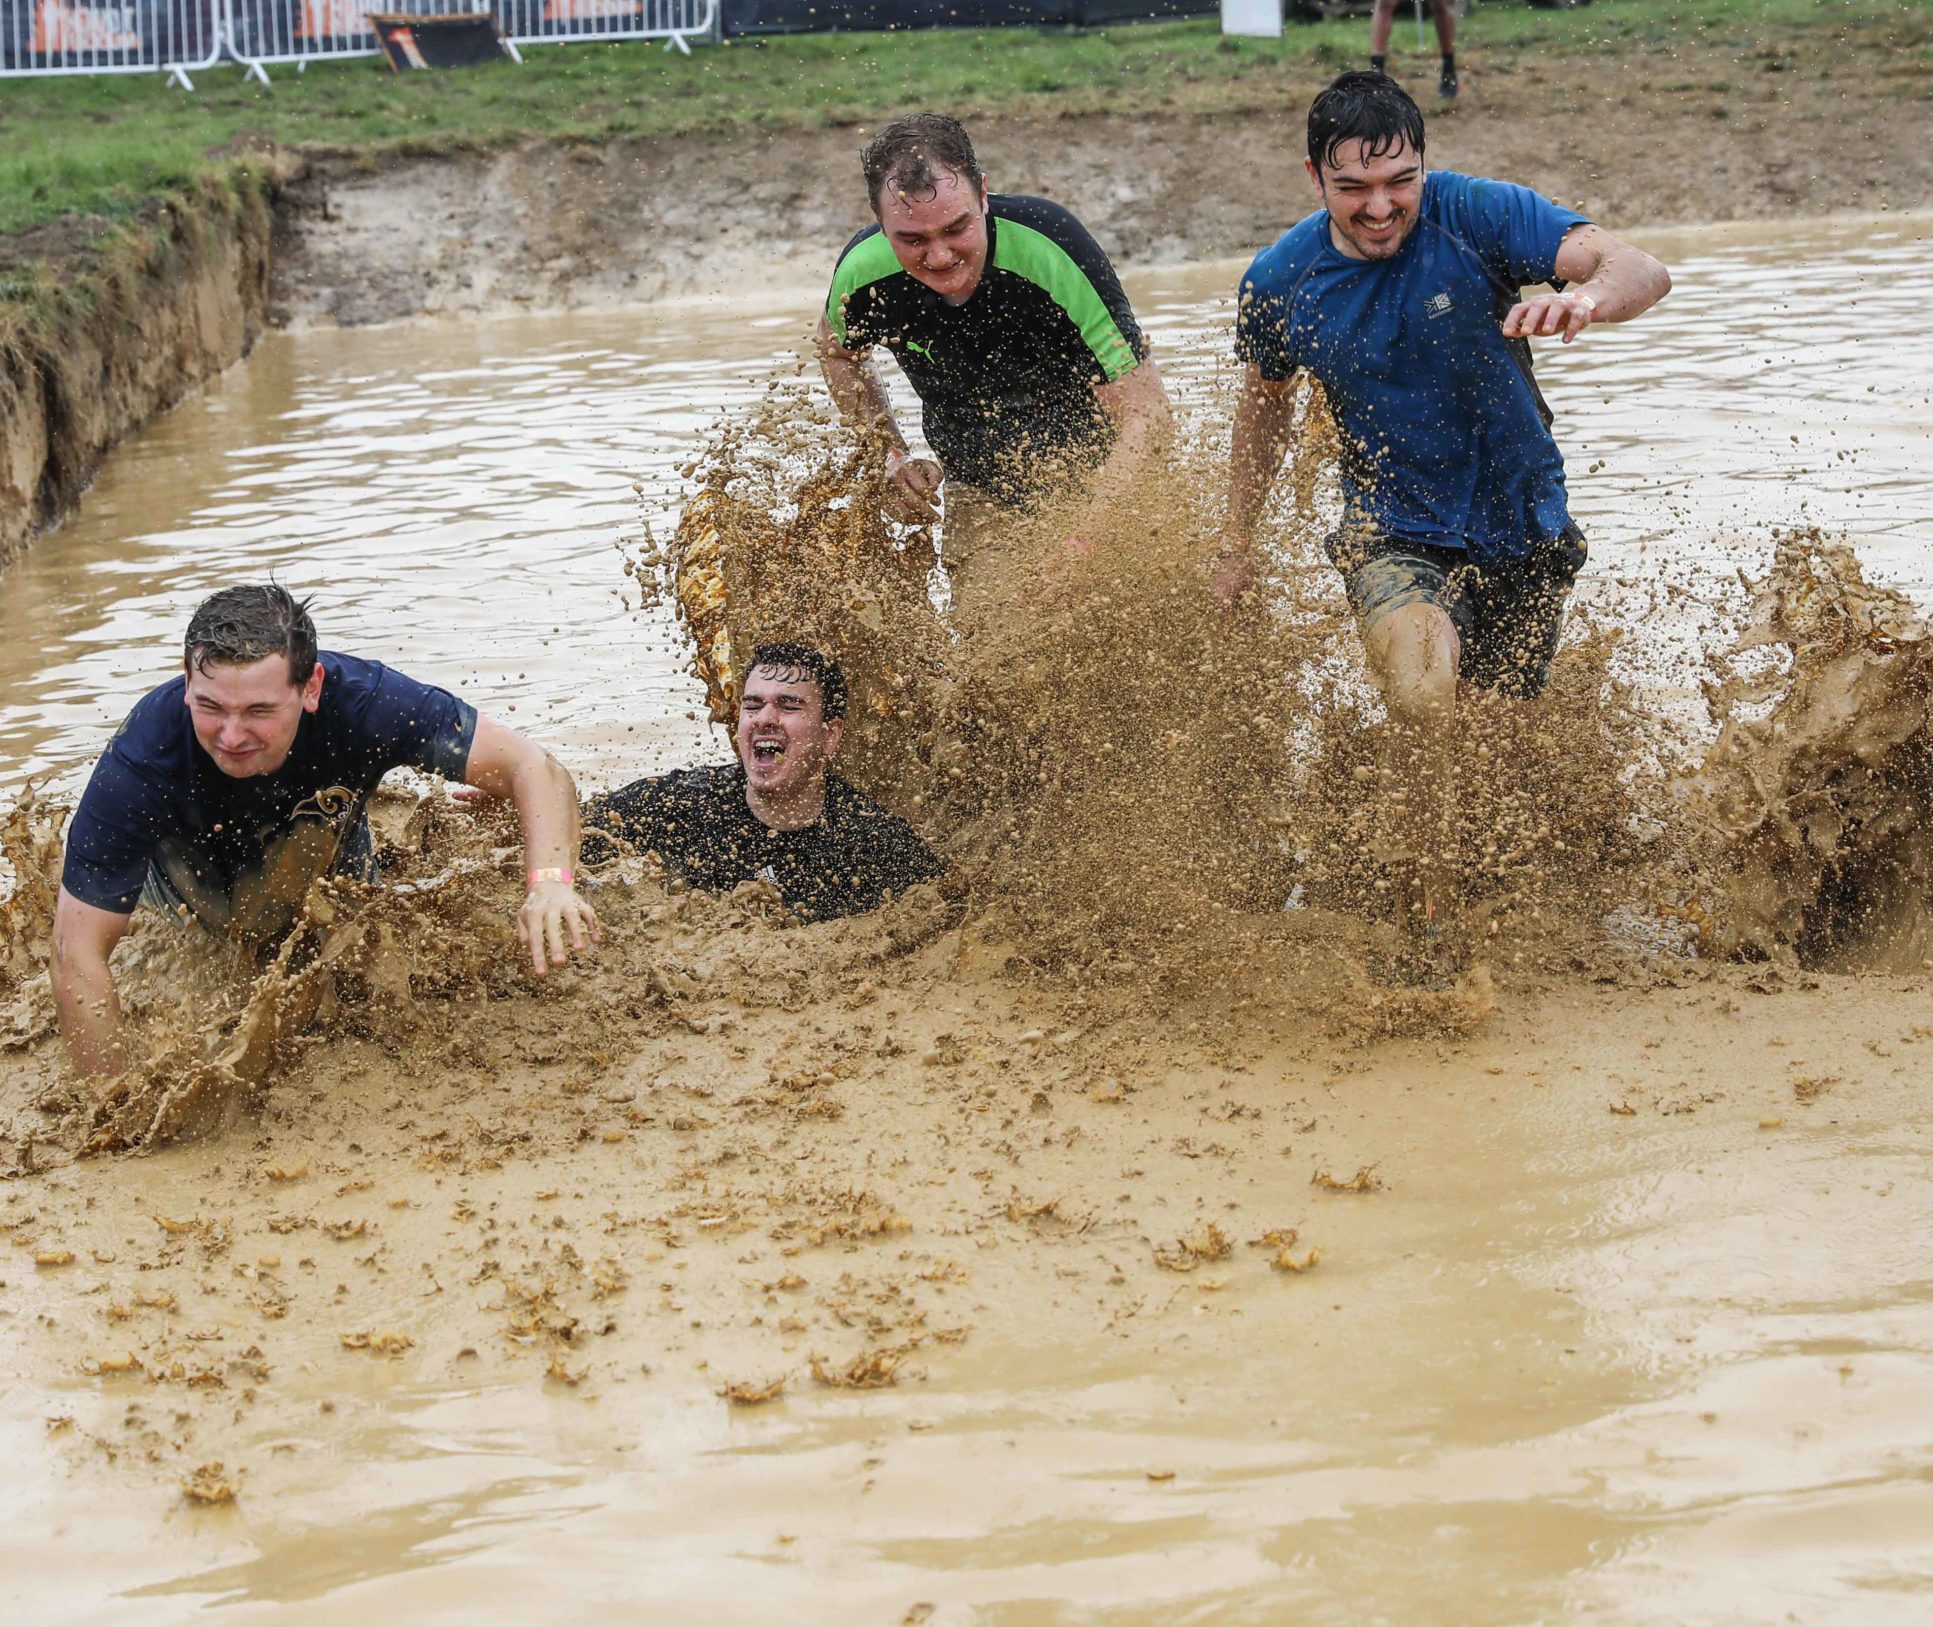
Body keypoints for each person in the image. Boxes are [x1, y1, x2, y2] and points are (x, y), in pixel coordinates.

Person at [1214, 70, 1670, 977]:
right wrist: (1235, 544)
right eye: (1353, 187)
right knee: (1424, 696)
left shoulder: (1477, 214)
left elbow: (1639, 269)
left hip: (1523, 524)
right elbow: (1263, 409)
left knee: (1493, 780)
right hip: (1392, 528)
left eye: (1401, 182)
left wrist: (1583, 300)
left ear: (1424, 166)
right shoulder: (1280, 281)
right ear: (1314, 178)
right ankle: (1428, 932)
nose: (1381, 208)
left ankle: (1487, 892)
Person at [51, 585, 598, 1077]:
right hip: (188, 890)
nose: (231, 735)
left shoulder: (366, 703)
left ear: (311, 687)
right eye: (211, 707)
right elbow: (76, 955)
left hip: (330, 854)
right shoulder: (141, 763)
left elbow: (533, 766)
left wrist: (550, 881)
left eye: (258, 711)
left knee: (365, 977)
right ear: (188, 681)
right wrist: (115, 1103)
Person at [817, 113, 1171, 602]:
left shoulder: (1050, 247)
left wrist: (1083, 544)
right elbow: (838, 352)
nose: (940, 257)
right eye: (913, 240)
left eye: (957, 228)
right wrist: (890, 456)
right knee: (993, 643)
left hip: (1111, 480)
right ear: (881, 223)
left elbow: (1148, 416)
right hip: (980, 489)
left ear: (983, 195)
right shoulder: (863, 274)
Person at [583, 642, 942, 922]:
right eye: (752, 706)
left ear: (829, 736)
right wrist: (555, 881)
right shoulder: (683, 805)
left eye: (788, 706)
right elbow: (568, 823)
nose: (764, 719)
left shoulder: (876, 844)